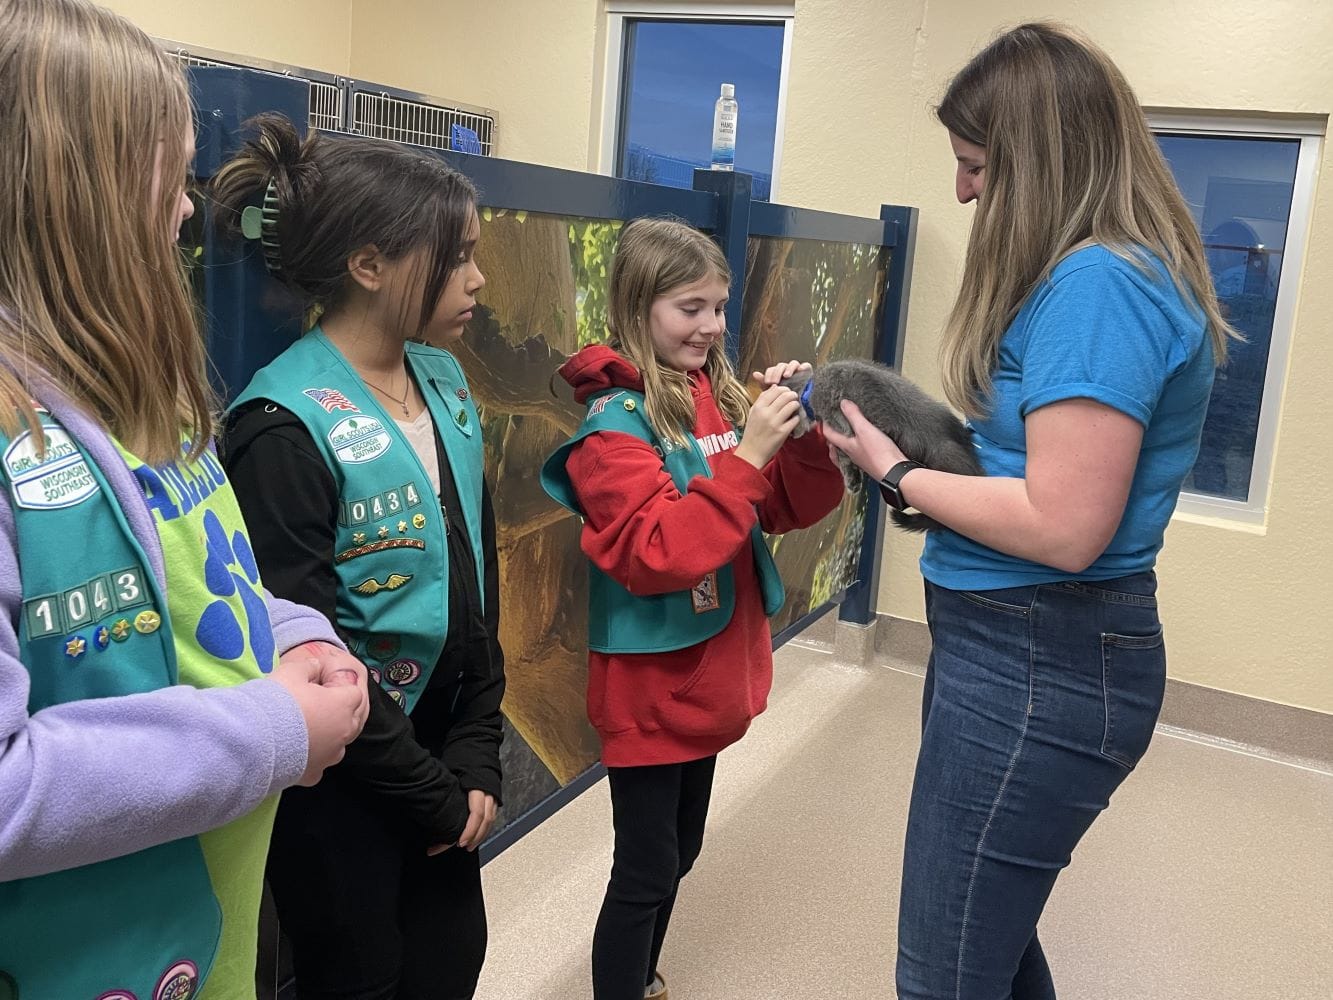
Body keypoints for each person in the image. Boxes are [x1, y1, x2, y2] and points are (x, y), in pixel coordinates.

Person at [822, 23, 1233, 1000]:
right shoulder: (1096, 277)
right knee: (988, 953)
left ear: (1039, 162)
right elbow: (1022, 464)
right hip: (1015, 643)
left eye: (975, 166)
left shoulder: (1099, 284)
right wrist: (898, 434)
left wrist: (895, 473)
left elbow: (1062, 525)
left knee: (943, 978)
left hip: (1040, 653)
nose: (962, 191)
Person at [0, 3, 368, 998]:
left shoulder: (149, 395)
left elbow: (206, 579)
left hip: (204, 925)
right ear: (79, 191)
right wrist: (273, 729)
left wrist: (300, 636)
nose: (181, 214)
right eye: (170, 181)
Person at [214, 113, 504, 1000]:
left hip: (444, 761)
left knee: (450, 962)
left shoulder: (444, 381)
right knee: (359, 975)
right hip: (345, 776)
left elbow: (475, 577)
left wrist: (478, 747)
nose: (476, 279)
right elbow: (302, 642)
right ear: (369, 265)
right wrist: (431, 794)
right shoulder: (282, 424)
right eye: (454, 257)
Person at [540, 217, 845, 1000]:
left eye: (717, 307)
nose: (710, 326)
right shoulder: (612, 430)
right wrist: (749, 454)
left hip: (707, 680)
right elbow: (656, 555)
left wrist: (794, 438)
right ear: (636, 306)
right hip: (650, 691)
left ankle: (642, 977)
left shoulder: (712, 396)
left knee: (678, 852)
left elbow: (783, 509)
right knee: (644, 870)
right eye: (689, 308)